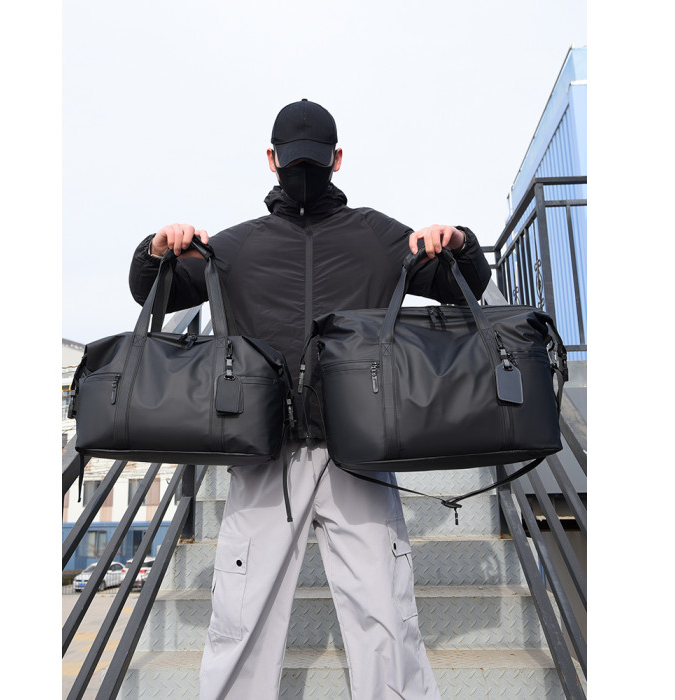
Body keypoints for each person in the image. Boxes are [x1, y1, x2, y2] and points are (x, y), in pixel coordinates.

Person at [129, 99, 491, 700]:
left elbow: (467, 286)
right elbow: (150, 292)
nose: (304, 170)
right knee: (241, 624)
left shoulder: (379, 237)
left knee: (385, 621)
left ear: (337, 159)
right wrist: (157, 248)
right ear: (272, 160)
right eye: (296, 161)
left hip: (358, 453)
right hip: (264, 456)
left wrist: (456, 241)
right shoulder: (237, 247)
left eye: (314, 161)